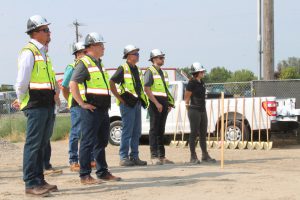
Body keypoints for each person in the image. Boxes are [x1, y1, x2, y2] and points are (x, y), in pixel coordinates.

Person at [14, 15, 58, 196]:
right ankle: (31, 183)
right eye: (45, 30)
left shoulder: (43, 54)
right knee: (33, 144)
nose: (49, 33)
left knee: (41, 143)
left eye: (48, 29)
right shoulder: (29, 52)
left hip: (46, 104)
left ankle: (39, 180)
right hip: (35, 104)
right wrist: (24, 101)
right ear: (35, 33)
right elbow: (21, 82)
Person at [69, 32, 121, 185]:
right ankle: (85, 175)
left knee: (101, 142)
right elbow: (72, 84)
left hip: (103, 109)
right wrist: (82, 103)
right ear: (92, 46)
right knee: (87, 142)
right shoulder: (84, 63)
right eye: (101, 45)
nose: (104, 48)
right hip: (91, 109)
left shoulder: (99, 63)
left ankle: (102, 172)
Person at [110, 45, 149, 167]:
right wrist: (120, 98)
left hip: (136, 103)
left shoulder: (137, 69)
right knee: (127, 131)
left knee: (136, 131)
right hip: (127, 104)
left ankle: (134, 156)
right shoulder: (123, 68)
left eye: (137, 54)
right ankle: (123, 157)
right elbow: (112, 82)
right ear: (128, 56)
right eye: (135, 54)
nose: (137, 56)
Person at [61, 42, 95, 172]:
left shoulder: (90, 66)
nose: (85, 54)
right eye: (82, 52)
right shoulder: (72, 67)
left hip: (88, 103)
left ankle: (90, 159)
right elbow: (64, 87)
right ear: (76, 54)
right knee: (76, 132)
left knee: (88, 132)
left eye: (86, 52)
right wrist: (70, 101)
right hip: (76, 105)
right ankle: (73, 161)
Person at [144, 49, 175, 165]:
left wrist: (169, 103)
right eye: (161, 57)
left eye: (163, 57)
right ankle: (154, 156)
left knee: (161, 130)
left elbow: (165, 90)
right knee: (154, 129)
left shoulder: (164, 73)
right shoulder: (150, 71)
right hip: (154, 103)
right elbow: (147, 89)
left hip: (163, 103)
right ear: (154, 59)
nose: (163, 59)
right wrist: (156, 103)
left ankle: (162, 156)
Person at [184, 62, 216, 164]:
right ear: (196, 72)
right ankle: (193, 156)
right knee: (194, 133)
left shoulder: (201, 82)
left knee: (203, 133)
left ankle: (205, 155)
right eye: (201, 71)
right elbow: (186, 98)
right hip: (194, 110)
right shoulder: (191, 83)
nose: (203, 72)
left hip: (202, 110)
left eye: (203, 71)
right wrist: (189, 109)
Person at [43, 42, 63, 176]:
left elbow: (54, 83)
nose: (47, 45)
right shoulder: (31, 56)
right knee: (40, 139)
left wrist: (57, 95)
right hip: (40, 105)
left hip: (51, 106)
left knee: (46, 138)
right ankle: (41, 167)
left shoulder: (47, 61)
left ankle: (46, 165)